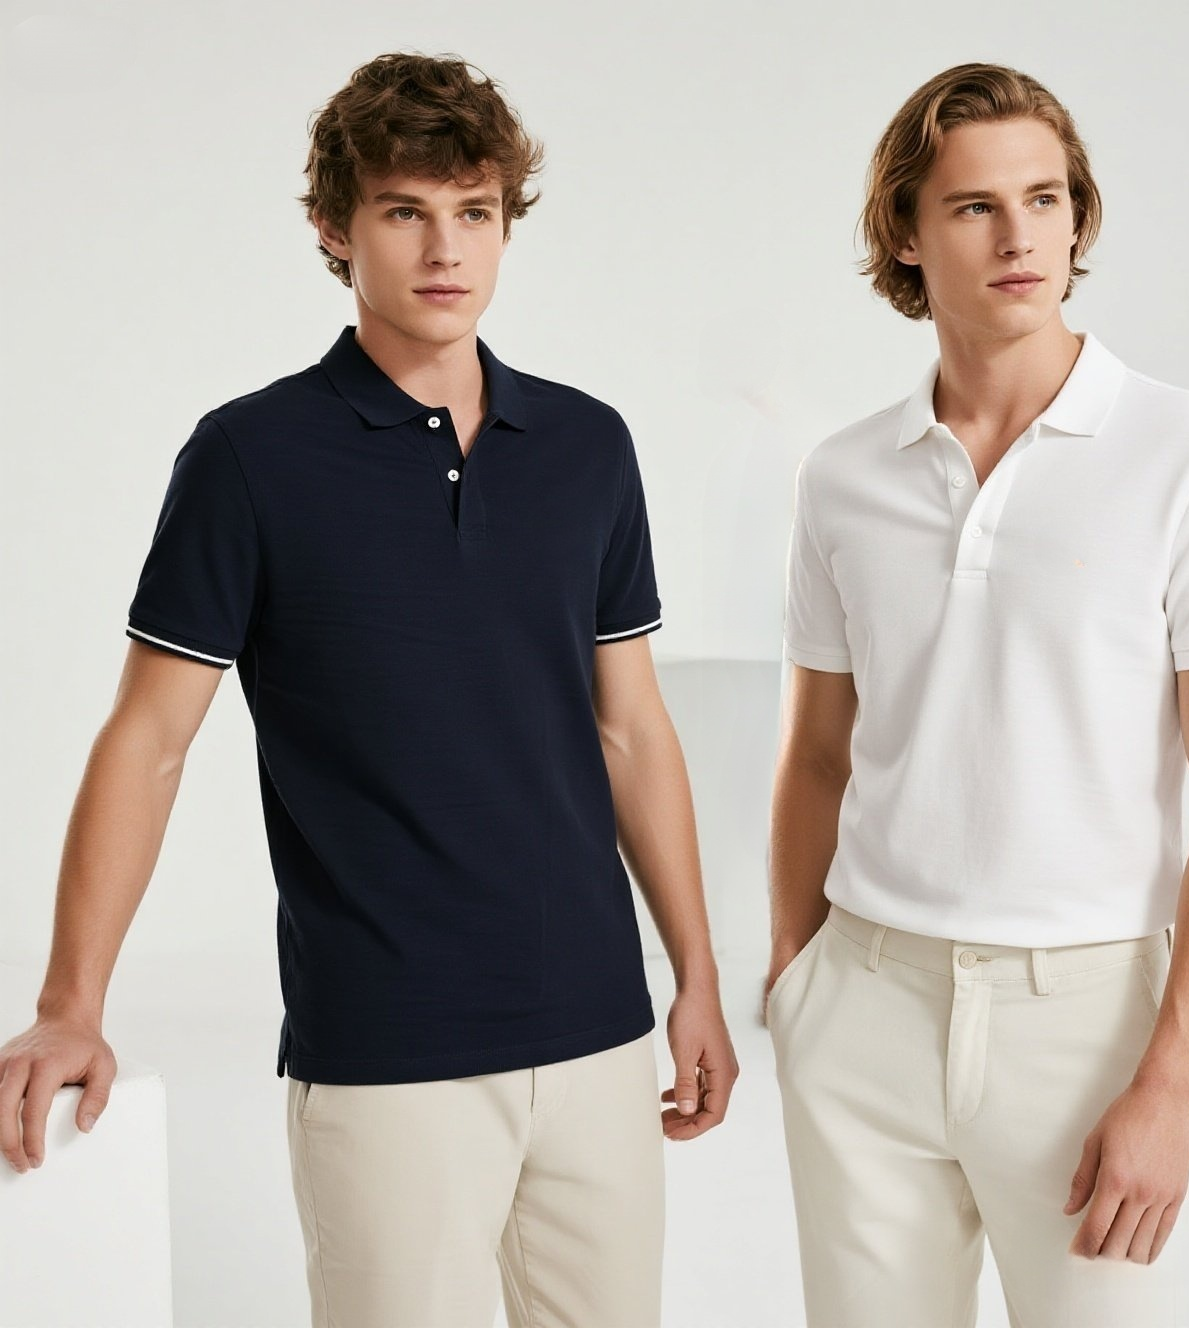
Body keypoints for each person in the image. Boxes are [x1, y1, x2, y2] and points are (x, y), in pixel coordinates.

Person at [0, 50, 738, 1328]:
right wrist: (71, 1003)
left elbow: (629, 728)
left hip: (599, 1033)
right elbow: (149, 739)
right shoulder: (249, 456)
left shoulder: (585, 444)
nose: (445, 248)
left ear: (505, 222)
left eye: (474, 211)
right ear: (334, 227)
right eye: (405, 210)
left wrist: (697, 975)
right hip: (388, 1051)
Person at [763, 61, 1189, 1328]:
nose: (1019, 237)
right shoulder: (842, 474)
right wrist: (794, 978)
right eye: (973, 206)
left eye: (1044, 199)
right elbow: (818, 753)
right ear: (905, 232)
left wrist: (1171, 1081)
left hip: (1086, 1022)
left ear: (1074, 216)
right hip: (863, 1006)